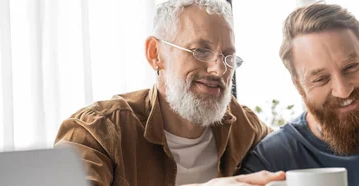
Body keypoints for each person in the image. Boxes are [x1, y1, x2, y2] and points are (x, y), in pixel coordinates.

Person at [54, 0, 284, 185]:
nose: (218, 69)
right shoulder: (98, 130)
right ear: (155, 54)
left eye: (228, 56)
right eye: (201, 50)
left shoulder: (245, 126)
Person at [238, 3, 359, 186]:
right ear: (299, 86)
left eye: (351, 67)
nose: (343, 90)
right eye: (321, 79)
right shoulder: (271, 161)